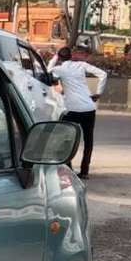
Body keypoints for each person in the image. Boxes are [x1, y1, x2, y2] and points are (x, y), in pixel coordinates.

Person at [47, 46, 107, 179]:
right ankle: (84, 171)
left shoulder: (59, 69)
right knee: (88, 140)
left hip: (71, 110)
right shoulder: (81, 65)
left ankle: (68, 168)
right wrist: (98, 92)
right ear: (71, 56)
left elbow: (48, 72)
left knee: (65, 140)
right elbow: (103, 74)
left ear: (60, 58)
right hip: (88, 108)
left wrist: (54, 58)